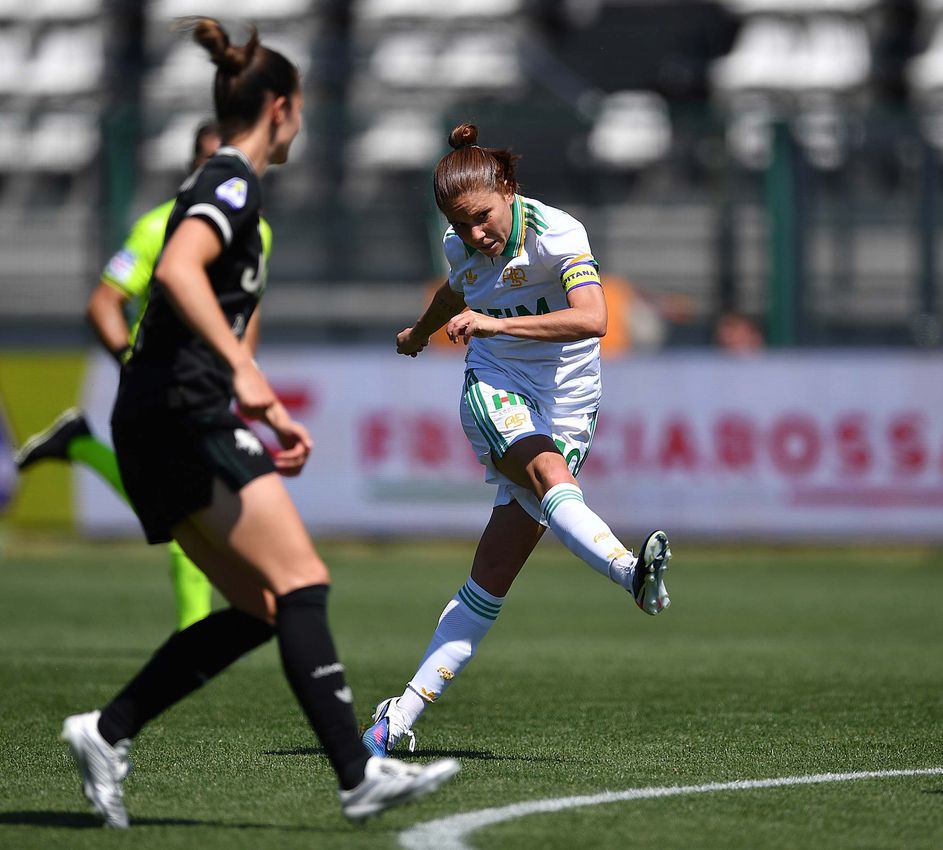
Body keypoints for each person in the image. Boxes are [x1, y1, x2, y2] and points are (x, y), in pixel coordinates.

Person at [59, 18, 457, 828]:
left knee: (261, 608)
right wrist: (242, 375)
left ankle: (106, 730)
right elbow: (178, 271)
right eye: (299, 108)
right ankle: (357, 775)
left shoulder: (232, 188)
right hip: (182, 412)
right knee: (302, 580)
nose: (300, 123)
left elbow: (195, 314)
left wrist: (262, 405)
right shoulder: (231, 182)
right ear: (280, 107)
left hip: (159, 414)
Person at [361, 123, 673, 758]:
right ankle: (632, 575)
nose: (475, 234)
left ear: (507, 188)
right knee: (553, 479)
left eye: (481, 217)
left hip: (570, 402)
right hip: (496, 386)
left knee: (491, 579)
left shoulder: (560, 234)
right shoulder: (461, 247)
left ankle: (399, 714)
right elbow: (456, 289)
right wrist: (421, 332)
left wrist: (490, 322)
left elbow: (594, 318)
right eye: (460, 224)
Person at [12, 122, 265, 631]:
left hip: (212, 386)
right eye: (211, 161)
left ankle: (81, 445)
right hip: (169, 388)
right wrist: (135, 367)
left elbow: (250, 303)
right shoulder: (157, 228)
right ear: (194, 168)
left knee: (187, 505)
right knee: (194, 507)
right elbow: (104, 303)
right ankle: (194, 634)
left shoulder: (257, 229)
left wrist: (243, 368)